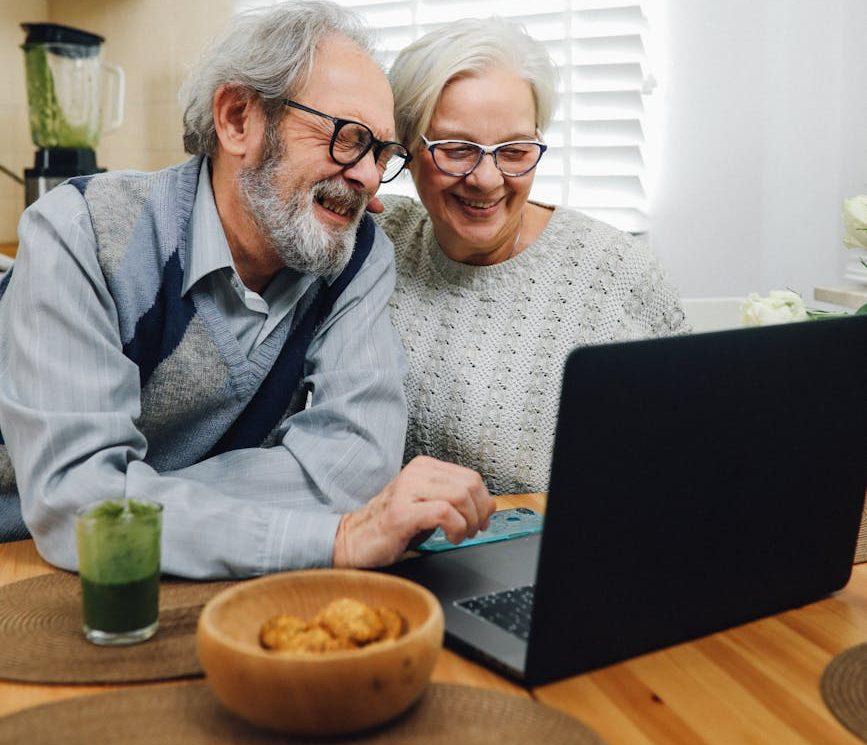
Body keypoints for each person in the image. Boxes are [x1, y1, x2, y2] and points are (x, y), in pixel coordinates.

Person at [0, 1, 493, 577]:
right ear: (238, 120)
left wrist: (133, 496)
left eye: (381, 153)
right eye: (347, 137)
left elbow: (356, 465)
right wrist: (329, 536)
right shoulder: (81, 230)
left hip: (170, 570)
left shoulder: (356, 254)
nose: (365, 176)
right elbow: (75, 508)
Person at [374, 18, 687, 496]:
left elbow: (687, 450)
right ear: (407, 150)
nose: (487, 179)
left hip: (556, 549)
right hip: (392, 551)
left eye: (515, 151)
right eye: (457, 150)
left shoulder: (618, 273)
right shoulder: (375, 240)